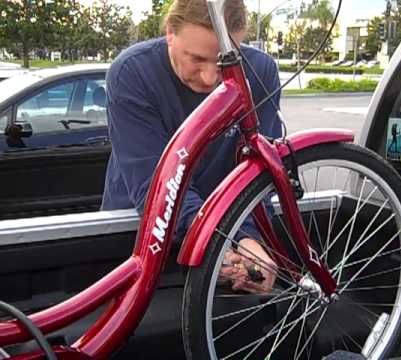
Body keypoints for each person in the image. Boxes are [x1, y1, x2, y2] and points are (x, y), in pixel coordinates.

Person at [101, 0, 280, 293]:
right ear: (170, 32)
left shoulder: (259, 72)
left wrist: (248, 238)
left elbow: (258, 171)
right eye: (196, 59)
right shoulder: (132, 74)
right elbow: (154, 186)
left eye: (225, 60)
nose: (211, 78)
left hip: (223, 231)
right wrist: (222, 237)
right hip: (137, 232)